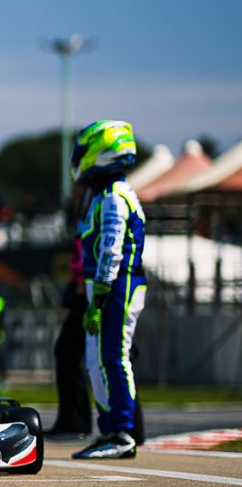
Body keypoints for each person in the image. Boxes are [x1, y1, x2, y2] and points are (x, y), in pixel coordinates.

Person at [72, 120, 147, 461]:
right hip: (104, 288)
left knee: (114, 359)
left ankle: (124, 432)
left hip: (118, 286)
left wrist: (98, 301)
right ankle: (109, 430)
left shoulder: (115, 197)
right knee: (96, 361)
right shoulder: (103, 196)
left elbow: (111, 252)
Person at [49, 233, 94, 437]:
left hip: (87, 292)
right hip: (81, 287)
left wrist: (84, 282)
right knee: (65, 355)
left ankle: (78, 421)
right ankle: (68, 419)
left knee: (70, 356)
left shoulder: (98, 208)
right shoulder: (84, 212)